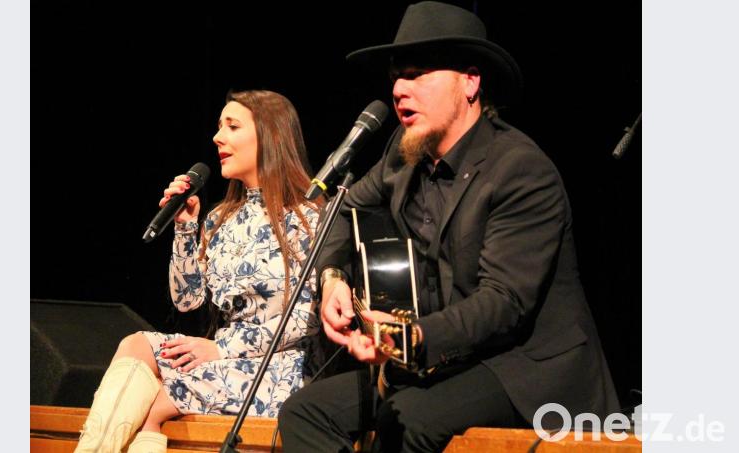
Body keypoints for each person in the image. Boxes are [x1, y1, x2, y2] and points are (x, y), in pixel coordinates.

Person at [278, 2, 620, 452]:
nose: (400, 88)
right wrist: (333, 279)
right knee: (304, 411)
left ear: (470, 82)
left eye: (418, 74)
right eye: (398, 75)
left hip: (525, 368)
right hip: (447, 357)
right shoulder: (402, 154)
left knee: (410, 421)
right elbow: (343, 209)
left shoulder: (520, 169)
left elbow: (503, 303)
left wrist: (410, 338)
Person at [74, 90, 323, 453]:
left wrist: (221, 347)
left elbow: (308, 318)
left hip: (280, 367)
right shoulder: (221, 218)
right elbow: (188, 300)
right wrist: (185, 227)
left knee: (155, 402)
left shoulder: (308, 217)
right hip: (217, 355)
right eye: (219, 126)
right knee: (136, 344)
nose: (217, 137)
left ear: (269, 136)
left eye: (232, 126)